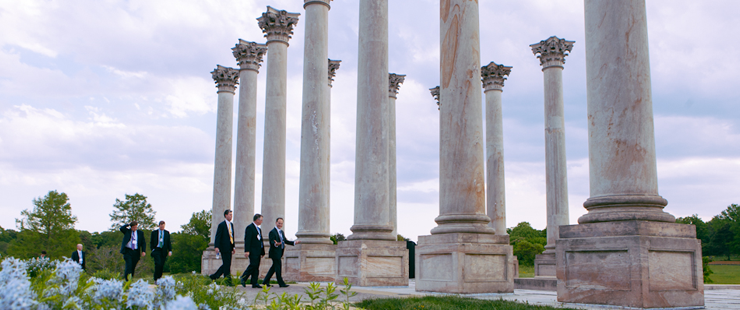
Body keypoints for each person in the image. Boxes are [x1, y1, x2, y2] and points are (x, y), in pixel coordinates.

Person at [262, 217, 300, 287]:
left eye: (281, 223)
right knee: (278, 267)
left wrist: (294, 243)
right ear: (276, 223)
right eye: (279, 223)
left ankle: (265, 281)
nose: (280, 224)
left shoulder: (281, 232)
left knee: (274, 268)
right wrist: (275, 244)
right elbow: (271, 241)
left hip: (280, 252)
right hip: (274, 253)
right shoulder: (272, 232)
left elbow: (285, 241)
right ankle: (281, 283)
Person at [210, 210, 235, 281]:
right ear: (226, 215)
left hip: (230, 247)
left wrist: (233, 246)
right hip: (224, 247)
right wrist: (216, 246)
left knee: (227, 264)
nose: (231, 216)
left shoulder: (231, 225)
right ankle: (227, 280)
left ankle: (215, 276)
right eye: (230, 214)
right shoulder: (221, 225)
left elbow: (232, 236)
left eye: (231, 215)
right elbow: (218, 236)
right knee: (227, 264)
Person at [241, 213, 265, 288]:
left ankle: (254, 282)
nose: (262, 221)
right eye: (261, 220)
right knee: (253, 265)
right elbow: (247, 240)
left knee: (256, 267)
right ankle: (243, 277)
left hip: (258, 251)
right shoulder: (250, 228)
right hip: (252, 250)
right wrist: (247, 250)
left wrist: (262, 251)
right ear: (257, 220)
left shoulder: (259, 229)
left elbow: (261, 241)